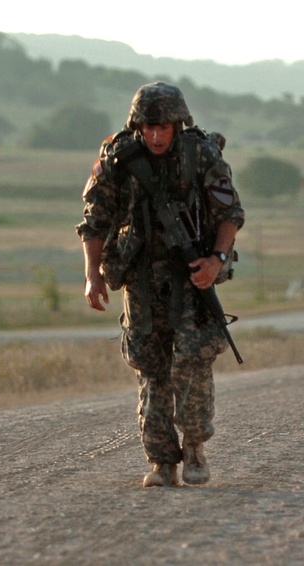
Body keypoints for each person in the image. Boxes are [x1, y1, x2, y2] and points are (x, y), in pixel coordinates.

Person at [76, 82, 245, 488]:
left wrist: (216, 259)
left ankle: (194, 449)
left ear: (178, 124)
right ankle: (161, 461)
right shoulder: (118, 157)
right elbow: (94, 220)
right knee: (150, 368)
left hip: (190, 276)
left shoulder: (200, 154)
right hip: (139, 277)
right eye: (148, 127)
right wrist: (92, 275)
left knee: (191, 360)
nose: (155, 135)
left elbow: (231, 213)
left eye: (163, 127)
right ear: (138, 125)